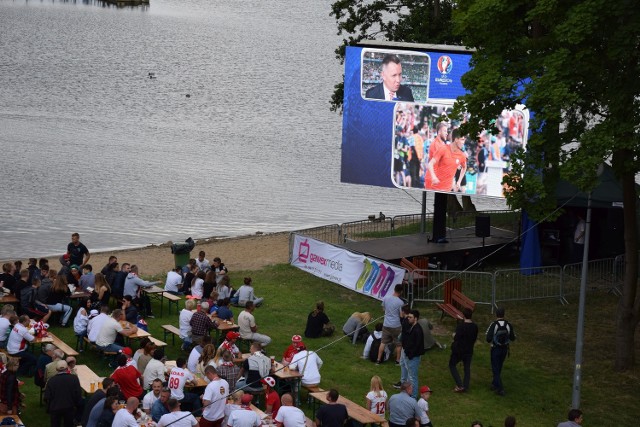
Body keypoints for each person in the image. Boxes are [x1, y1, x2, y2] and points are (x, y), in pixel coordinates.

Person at [485, 307, 516, 396]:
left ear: (496, 314)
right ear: (504, 314)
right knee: (499, 367)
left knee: (495, 369)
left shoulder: (494, 324)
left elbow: (488, 338)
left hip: (495, 349)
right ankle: (494, 384)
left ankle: (500, 388)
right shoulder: (508, 324)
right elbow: (513, 338)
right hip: (505, 349)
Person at [44, 360, 83, 427]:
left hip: (55, 408)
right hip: (69, 407)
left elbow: (47, 396)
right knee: (68, 424)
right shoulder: (74, 378)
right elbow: (78, 394)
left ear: (56, 369)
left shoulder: (51, 380)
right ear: (67, 368)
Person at [449, 307, 478, 393]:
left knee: (452, 365)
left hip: (459, 350)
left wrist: (453, 334)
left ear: (463, 315)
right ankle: (465, 386)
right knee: (467, 368)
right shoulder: (474, 327)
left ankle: (459, 384)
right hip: (469, 350)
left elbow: (456, 337)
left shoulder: (461, 327)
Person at [399, 310, 424, 399]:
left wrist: (410, 355)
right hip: (408, 354)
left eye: (410, 317)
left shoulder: (417, 330)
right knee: (410, 375)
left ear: (416, 318)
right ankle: (408, 391)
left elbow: (417, 345)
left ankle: (413, 396)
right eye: (408, 317)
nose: (408, 318)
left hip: (413, 357)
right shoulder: (412, 326)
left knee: (413, 377)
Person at [377, 284, 404, 365]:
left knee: (383, 342)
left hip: (386, 324)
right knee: (399, 344)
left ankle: (378, 360)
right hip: (396, 326)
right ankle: (397, 361)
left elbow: (383, 309)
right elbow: (401, 315)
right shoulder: (401, 302)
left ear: (394, 289)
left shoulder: (386, 298)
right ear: (401, 291)